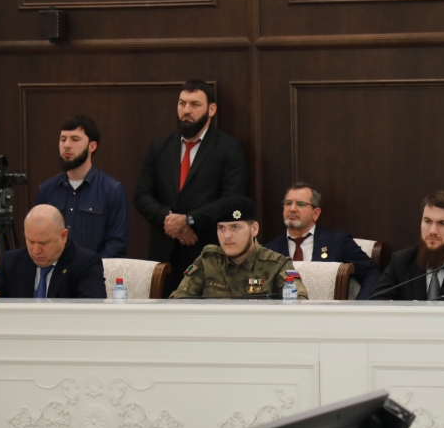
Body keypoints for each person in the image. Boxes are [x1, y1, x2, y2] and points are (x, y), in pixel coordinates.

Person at [135, 80, 248, 293]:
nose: (186, 110)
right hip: (165, 256)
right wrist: (171, 220)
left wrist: (190, 220)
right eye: (182, 103)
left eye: (195, 104)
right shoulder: (159, 147)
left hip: (208, 255)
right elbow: (142, 196)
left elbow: (232, 200)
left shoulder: (228, 147)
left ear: (211, 109)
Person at [169, 196, 307, 300]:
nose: (227, 236)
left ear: (254, 229)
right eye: (221, 228)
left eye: (235, 227)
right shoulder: (208, 261)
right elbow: (178, 302)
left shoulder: (277, 265)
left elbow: (299, 308)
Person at [262, 183, 381, 300]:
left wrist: (358, 306)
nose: (292, 209)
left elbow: (372, 273)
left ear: (316, 213)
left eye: (301, 204)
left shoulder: (338, 241)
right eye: (288, 203)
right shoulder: (269, 250)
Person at [34, 115, 128, 257]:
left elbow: (116, 245)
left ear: (92, 146)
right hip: (54, 268)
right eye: (63, 139)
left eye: (75, 139)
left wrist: (90, 267)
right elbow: (36, 236)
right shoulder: (46, 190)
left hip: (95, 269)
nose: (66, 145)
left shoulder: (112, 190)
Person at [0, 205, 106, 299]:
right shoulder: (11, 261)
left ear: (63, 236)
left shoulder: (85, 263)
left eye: (43, 243)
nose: (35, 251)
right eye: (30, 241)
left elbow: (91, 310)